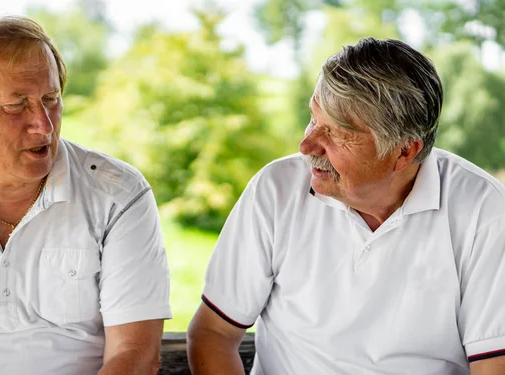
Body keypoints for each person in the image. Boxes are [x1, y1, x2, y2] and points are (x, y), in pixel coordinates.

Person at [187, 37, 505, 374]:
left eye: (338, 134)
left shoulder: (485, 211)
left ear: (404, 151)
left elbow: (494, 365)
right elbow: (213, 333)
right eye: (313, 119)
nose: (306, 144)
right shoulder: (276, 190)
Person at [0, 17, 171, 375]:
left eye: (51, 99)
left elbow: (135, 356)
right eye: (16, 106)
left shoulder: (117, 194)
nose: (43, 124)